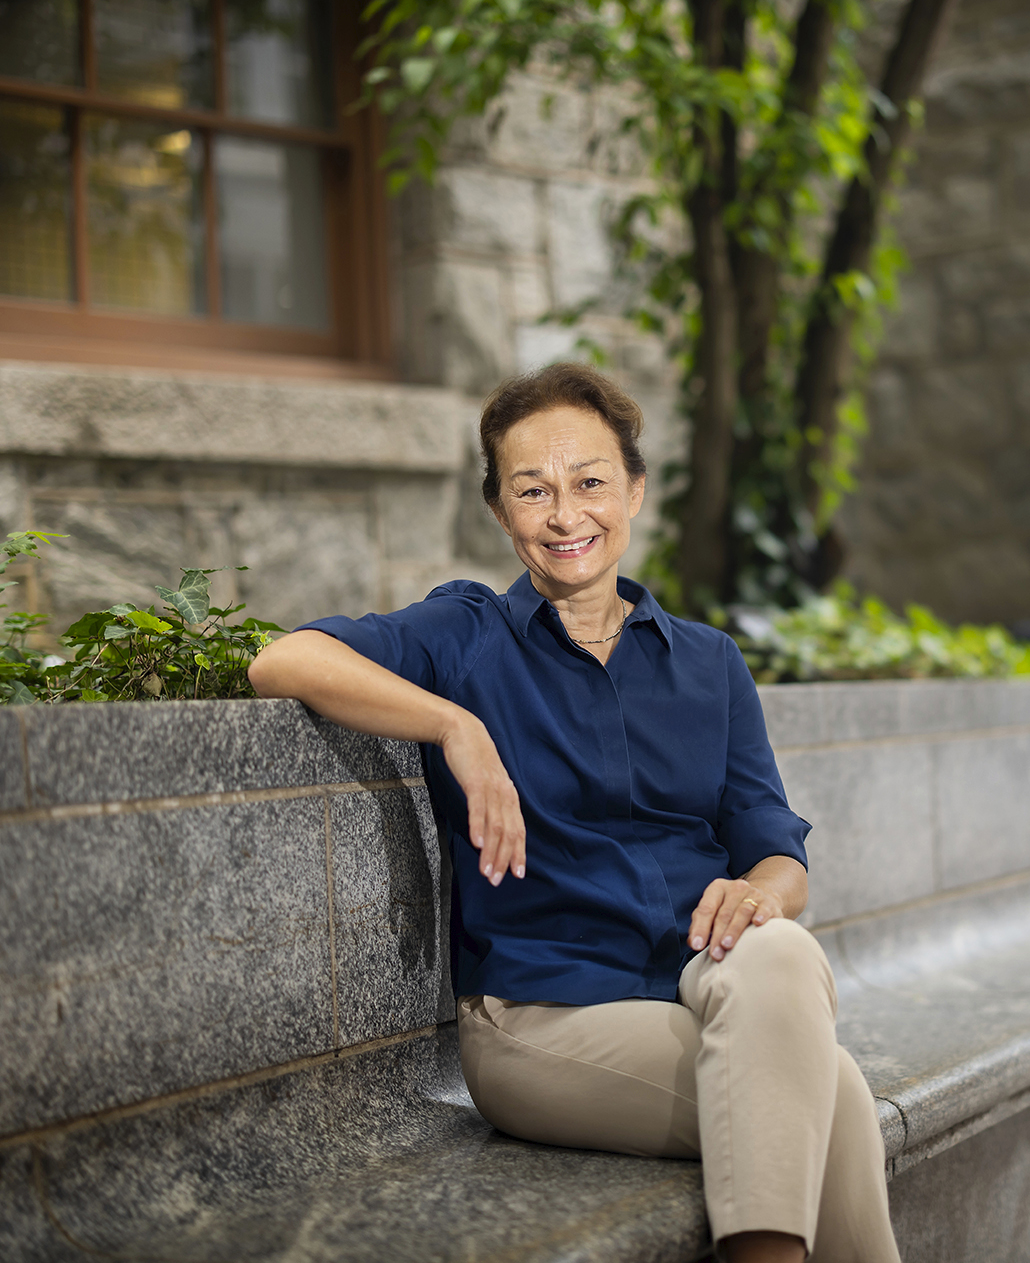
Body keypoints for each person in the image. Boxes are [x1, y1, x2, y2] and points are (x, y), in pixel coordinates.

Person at [248, 364, 901, 1263]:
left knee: (782, 945)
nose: (566, 516)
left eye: (590, 482)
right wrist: (456, 727)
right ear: (499, 511)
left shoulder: (709, 664)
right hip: (540, 1021)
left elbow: (776, 851)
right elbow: (284, 661)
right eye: (533, 490)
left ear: (633, 489)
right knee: (831, 1094)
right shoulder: (467, 635)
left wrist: (761, 896)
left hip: (699, 983)